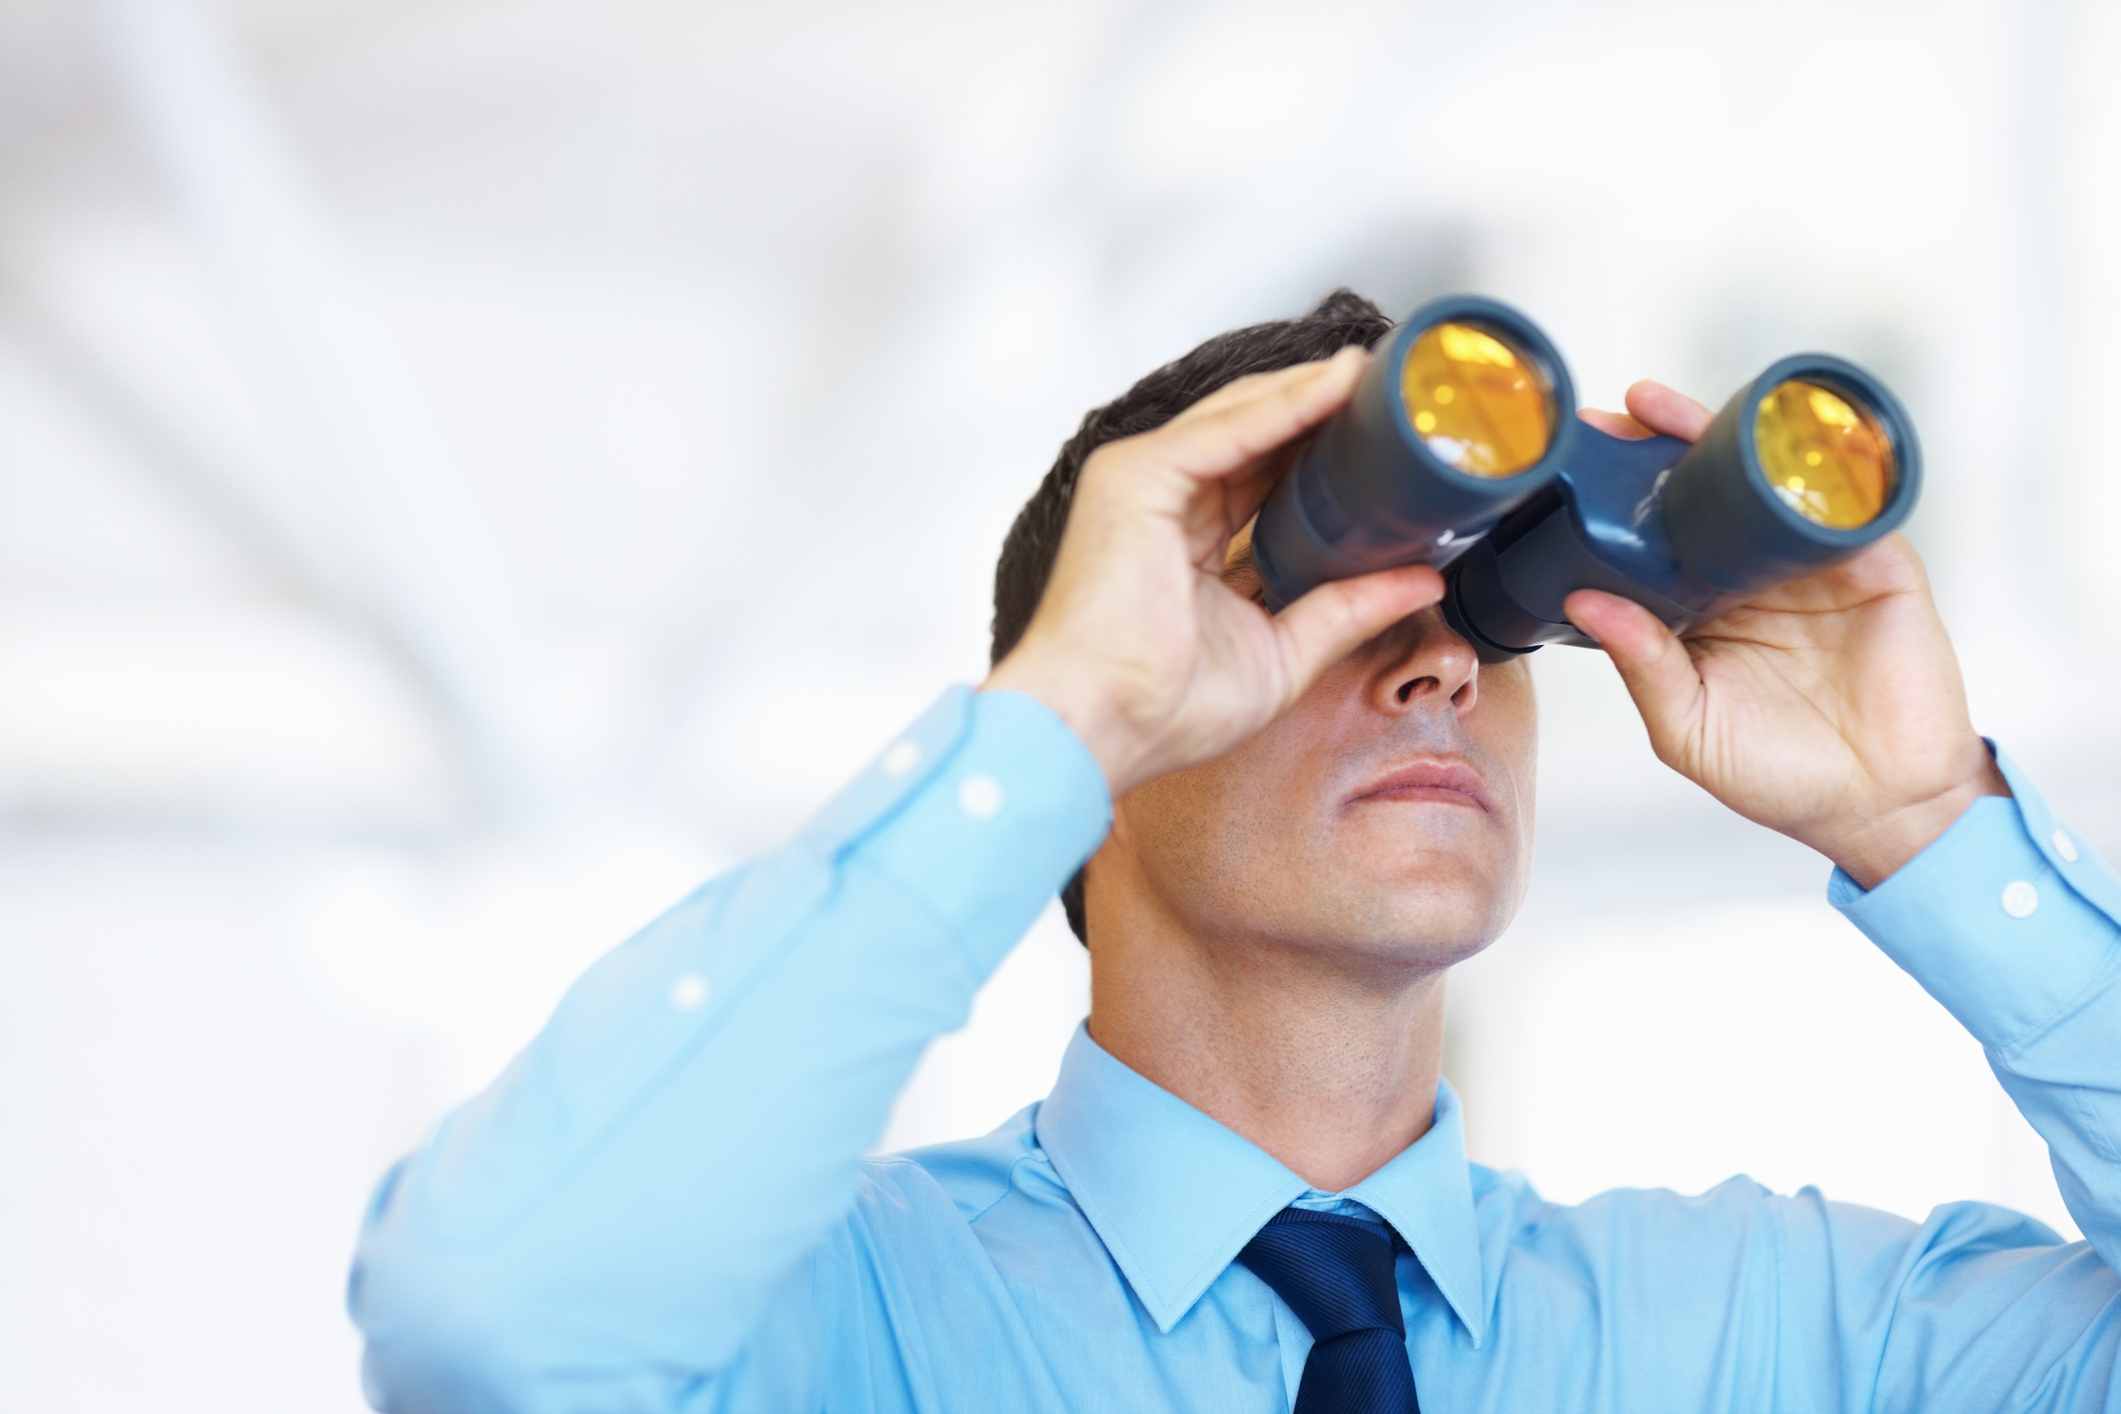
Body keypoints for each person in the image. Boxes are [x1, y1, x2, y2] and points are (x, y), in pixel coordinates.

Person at [349, 291, 2121, 1413]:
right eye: (1318, 599)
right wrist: (1054, 721)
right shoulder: (835, 1326)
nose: (1439, 660)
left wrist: (1931, 830)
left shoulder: (1793, 1337)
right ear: (1116, 718)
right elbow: (493, 1327)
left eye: (1494, 628)